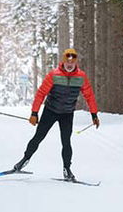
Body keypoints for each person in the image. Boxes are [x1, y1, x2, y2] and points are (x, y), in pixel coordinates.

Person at [13, 48, 100, 181]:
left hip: (67, 113)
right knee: (38, 137)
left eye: (72, 62)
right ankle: (23, 161)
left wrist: (94, 115)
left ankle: (67, 169)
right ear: (63, 62)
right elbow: (41, 93)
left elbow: (89, 96)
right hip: (51, 111)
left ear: (75, 63)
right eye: (67, 62)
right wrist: (34, 113)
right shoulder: (54, 74)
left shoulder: (81, 77)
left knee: (66, 142)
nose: (69, 65)